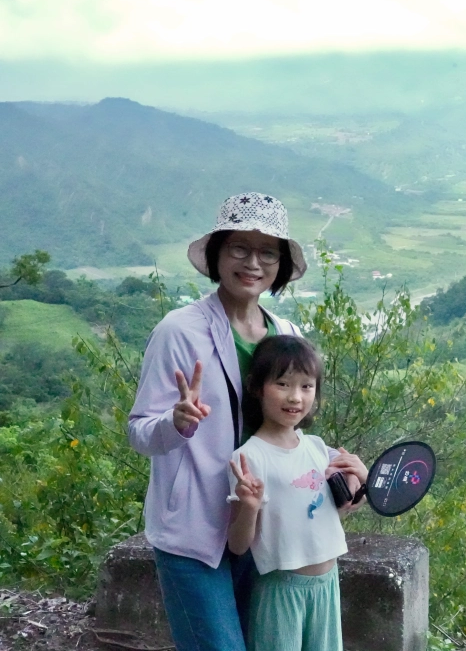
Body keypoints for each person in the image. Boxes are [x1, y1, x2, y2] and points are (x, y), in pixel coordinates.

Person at [128, 192, 360, 651]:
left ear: (281, 265)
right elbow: (139, 432)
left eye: (267, 252)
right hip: (195, 535)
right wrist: (176, 423)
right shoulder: (179, 331)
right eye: (239, 248)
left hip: (265, 533)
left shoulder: (288, 336)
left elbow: (289, 435)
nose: (253, 262)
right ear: (217, 254)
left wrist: (338, 465)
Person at [227, 335, 369, 651]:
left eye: (306, 386)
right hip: (280, 589)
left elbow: (338, 509)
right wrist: (249, 506)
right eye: (283, 384)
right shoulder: (248, 458)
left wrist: (363, 479)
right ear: (256, 387)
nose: (295, 397)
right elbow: (237, 546)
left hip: (327, 583)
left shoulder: (318, 449)